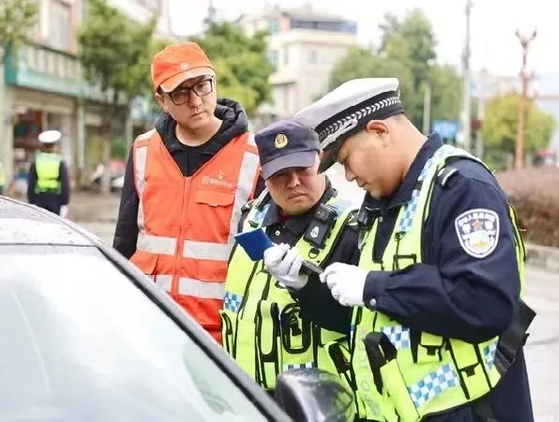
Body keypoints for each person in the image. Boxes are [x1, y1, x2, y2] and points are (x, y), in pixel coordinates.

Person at [292, 78, 535, 422]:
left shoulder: (461, 187)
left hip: (471, 411)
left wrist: (373, 286)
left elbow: (484, 302)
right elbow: (374, 315)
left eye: (346, 159)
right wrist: (307, 287)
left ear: (379, 131)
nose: (348, 175)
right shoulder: (384, 204)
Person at [113, 41, 262, 343]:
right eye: (181, 92)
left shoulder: (253, 155)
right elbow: (124, 240)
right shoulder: (144, 149)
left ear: (214, 82)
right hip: (151, 323)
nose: (195, 101)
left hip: (221, 333)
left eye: (202, 86)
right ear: (162, 100)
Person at [221, 119, 359, 395]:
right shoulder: (250, 219)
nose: (294, 182)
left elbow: (356, 323)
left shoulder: (352, 229)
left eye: (302, 169)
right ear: (265, 176)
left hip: (319, 402)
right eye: (281, 173)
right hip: (248, 396)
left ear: (320, 160)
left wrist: (306, 288)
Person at [27, 130, 70, 217]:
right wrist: (65, 200)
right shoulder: (59, 161)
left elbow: (31, 182)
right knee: (54, 225)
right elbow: (64, 183)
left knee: (40, 224)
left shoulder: (36, 161)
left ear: (42, 145)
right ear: (55, 146)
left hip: (39, 197)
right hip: (55, 198)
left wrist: (31, 199)